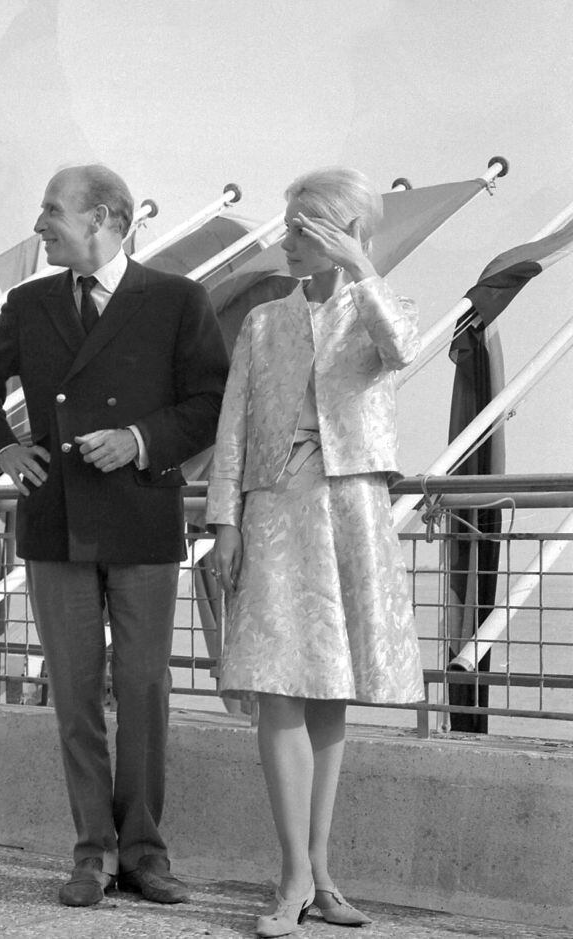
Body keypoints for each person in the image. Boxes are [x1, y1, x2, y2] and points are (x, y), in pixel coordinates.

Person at [0, 165, 228, 907]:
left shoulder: (177, 299)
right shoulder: (30, 301)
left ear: (106, 218)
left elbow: (210, 401)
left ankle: (145, 850)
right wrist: (3, 449)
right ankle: (92, 852)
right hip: (55, 520)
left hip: (141, 515)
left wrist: (139, 438)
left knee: (143, 690)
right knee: (73, 693)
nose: (39, 224)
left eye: (52, 211)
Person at [206, 166, 425, 937]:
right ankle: (293, 874)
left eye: (306, 228)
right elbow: (232, 427)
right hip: (274, 512)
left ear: (343, 233)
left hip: (349, 511)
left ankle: (321, 874)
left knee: (331, 690)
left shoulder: (380, 305)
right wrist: (222, 521)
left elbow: (400, 349)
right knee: (276, 685)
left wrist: (363, 266)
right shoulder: (263, 322)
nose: (288, 240)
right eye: (289, 225)